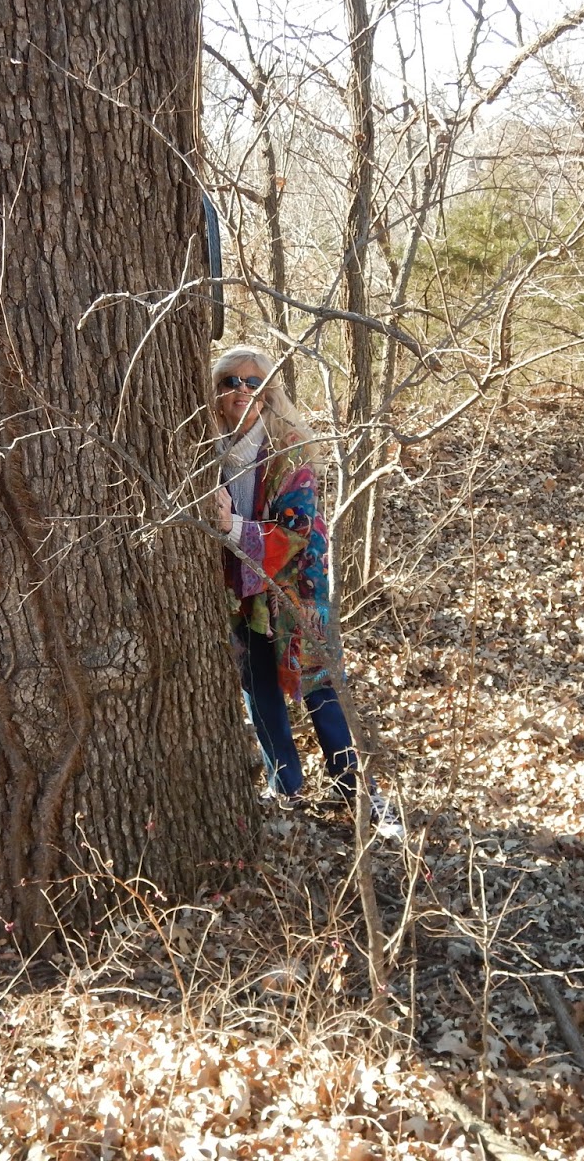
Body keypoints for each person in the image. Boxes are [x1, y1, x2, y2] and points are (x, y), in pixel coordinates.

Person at [208, 344, 399, 835]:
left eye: (253, 382)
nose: (242, 392)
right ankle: (286, 787)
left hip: (298, 591)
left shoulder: (290, 449)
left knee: (319, 688)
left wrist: (231, 528)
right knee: (260, 689)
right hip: (242, 594)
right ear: (216, 392)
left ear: (269, 391)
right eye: (231, 382)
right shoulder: (208, 451)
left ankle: (358, 794)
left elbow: (294, 532)